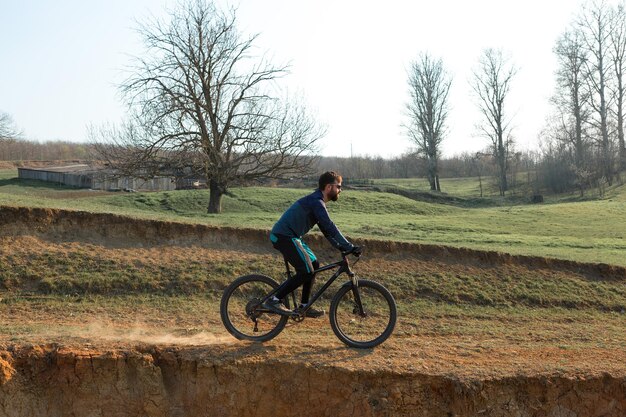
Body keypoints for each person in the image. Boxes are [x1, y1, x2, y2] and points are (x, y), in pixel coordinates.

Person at [264, 171, 360, 317]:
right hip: (283, 236)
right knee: (306, 270)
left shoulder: (317, 202)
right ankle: (274, 300)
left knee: (314, 265)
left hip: (293, 237)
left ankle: (304, 306)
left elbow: (326, 232)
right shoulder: (316, 202)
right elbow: (330, 227)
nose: (341, 190)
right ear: (329, 187)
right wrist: (349, 246)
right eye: (338, 186)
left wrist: (341, 247)